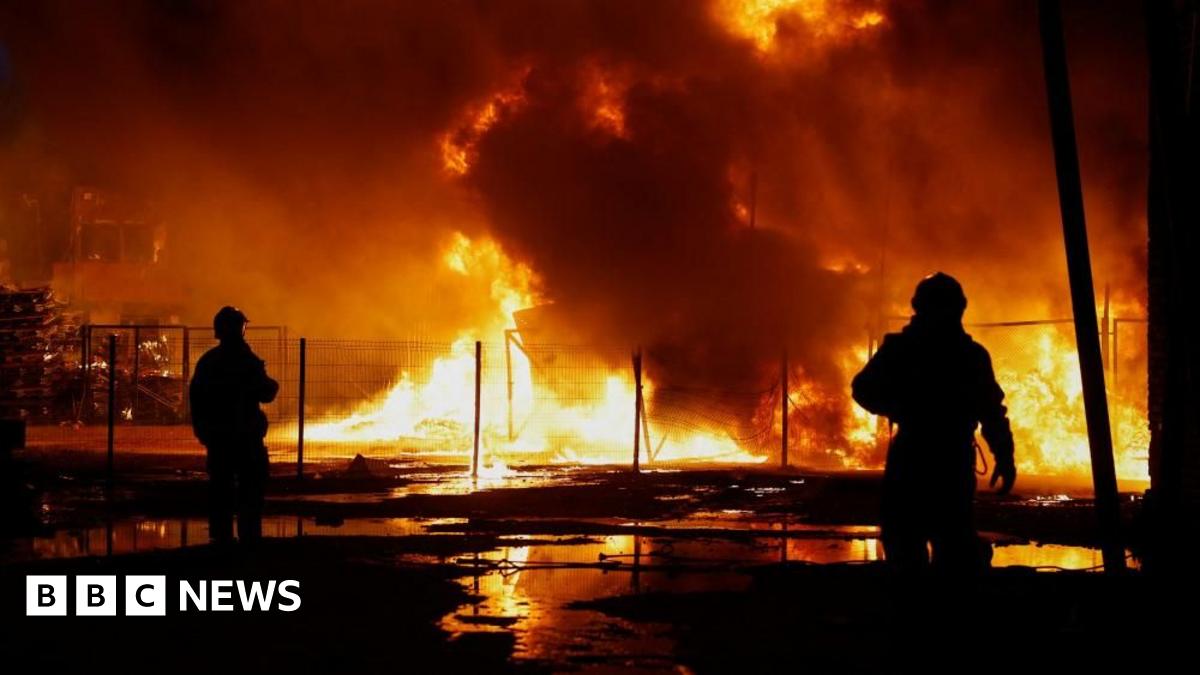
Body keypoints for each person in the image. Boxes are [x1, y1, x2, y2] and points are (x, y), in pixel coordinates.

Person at [852, 273, 1015, 571]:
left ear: (917, 306)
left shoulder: (903, 349)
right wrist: (1004, 456)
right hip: (949, 459)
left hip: (914, 456)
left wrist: (897, 408)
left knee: (908, 544)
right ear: (961, 308)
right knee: (948, 544)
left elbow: (863, 389)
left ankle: (913, 611)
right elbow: (991, 410)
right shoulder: (969, 355)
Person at [189, 306, 279, 545]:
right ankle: (249, 545)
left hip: (219, 440)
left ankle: (220, 545)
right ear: (240, 329)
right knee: (251, 493)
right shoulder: (245, 360)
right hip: (247, 439)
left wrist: (204, 432)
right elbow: (266, 392)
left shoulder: (208, 362)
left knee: (220, 493)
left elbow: (196, 399)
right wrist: (272, 384)